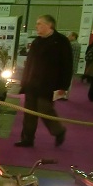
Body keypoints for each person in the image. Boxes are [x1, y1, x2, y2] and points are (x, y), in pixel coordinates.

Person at [15, 15, 71, 148]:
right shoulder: (36, 41)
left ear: (49, 25)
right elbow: (29, 63)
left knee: (45, 109)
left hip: (49, 85)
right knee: (29, 113)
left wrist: (63, 86)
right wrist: (24, 81)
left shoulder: (61, 41)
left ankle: (58, 131)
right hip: (32, 84)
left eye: (39, 23)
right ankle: (27, 139)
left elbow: (67, 66)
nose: (36, 26)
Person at [62, 32, 81, 100]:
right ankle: (65, 96)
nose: (68, 37)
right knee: (69, 81)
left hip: (68, 65)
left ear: (73, 36)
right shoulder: (78, 45)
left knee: (64, 81)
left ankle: (63, 96)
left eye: (69, 36)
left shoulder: (71, 45)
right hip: (74, 65)